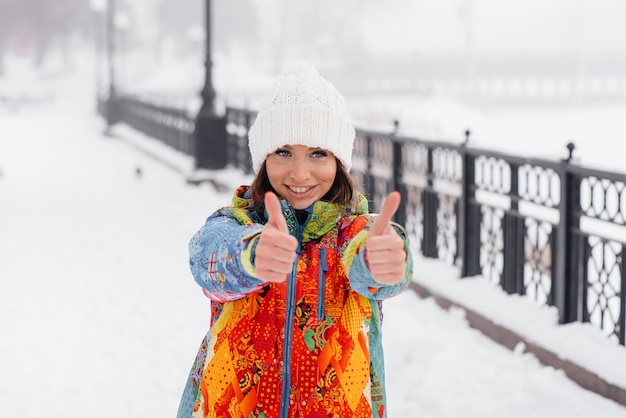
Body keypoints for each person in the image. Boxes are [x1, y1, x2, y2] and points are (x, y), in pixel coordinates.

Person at [177, 62, 413, 418]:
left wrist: (381, 261)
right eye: (283, 152)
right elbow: (207, 260)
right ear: (263, 160)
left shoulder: (353, 234)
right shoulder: (236, 224)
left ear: (339, 162)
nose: (300, 173)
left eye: (318, 153)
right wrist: (251, 254)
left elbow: (370, 265)